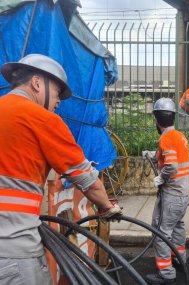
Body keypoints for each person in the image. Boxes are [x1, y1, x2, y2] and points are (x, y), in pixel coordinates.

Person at [0, 54, 122, 285]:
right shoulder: (43, 119)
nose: (58, 102)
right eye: (57, 93)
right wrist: (107, 207)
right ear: (37, 83)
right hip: (14, 251)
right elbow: (88, 180)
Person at [145, 98, 189, 285]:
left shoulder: (165, 138)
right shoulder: (179, 136)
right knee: (178, 226)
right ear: (173, 117)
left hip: (171, 196)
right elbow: (167, 156)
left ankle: (166, 273)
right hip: (183, 195)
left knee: (161, 232)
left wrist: (161, 178)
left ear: (157, 118)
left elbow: (171, 166)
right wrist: (151, 155)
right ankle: (179, 258)